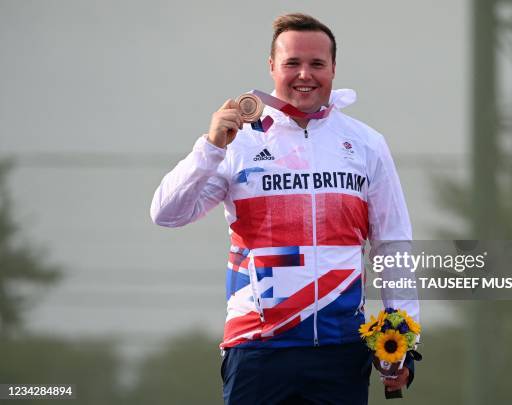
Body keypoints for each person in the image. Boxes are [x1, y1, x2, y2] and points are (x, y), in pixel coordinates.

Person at [150, 13, 419, 404]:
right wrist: (209, 148)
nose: (304, 74)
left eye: (317, 64)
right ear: (272, 67)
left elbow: (392, 244)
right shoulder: (235, 142)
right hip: (256, 349)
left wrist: (404, 338)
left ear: (333, 69)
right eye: (292, 63)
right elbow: (167, 213)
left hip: (340, 349)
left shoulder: (365, 143)